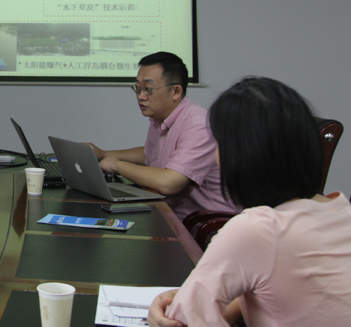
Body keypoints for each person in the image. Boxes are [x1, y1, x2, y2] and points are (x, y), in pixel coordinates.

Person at [147, 77, 351, 327]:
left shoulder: (257, 229)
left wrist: (165, 307)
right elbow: (280, 290)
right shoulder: (339, 210)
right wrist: (196, 299)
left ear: (240, 155)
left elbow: (182, 322)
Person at [89, 51, 239, 220]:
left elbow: (169, 183)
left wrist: (117, 165)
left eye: (148, 89)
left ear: (176, 91)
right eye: (137, 88)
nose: (141, 96)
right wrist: (103, 154)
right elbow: (150, 154)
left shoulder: (199, 125)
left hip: (204, 225)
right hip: (170, 215)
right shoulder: (160, 117)